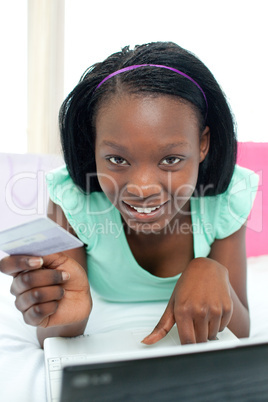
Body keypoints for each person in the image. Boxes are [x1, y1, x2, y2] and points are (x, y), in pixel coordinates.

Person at [0, 42, 258, 348]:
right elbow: (55, 332)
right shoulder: (73, 200)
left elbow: (240, 330)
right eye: (117, 160)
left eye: (171, 159)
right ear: (93, 146)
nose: (142, 188)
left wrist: (213, 275)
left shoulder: (226, 198)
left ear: (202, 144)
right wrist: (63, 311)